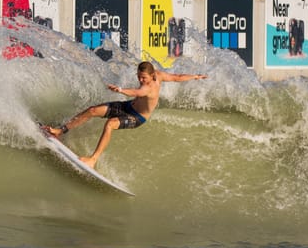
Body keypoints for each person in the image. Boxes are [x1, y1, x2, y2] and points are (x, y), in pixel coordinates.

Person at [42, 61, 207, 168]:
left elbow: (136, 91)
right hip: (128, 106)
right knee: (93, 110)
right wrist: (195, 76)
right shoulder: (157, 75)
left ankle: (93, 159)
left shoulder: (149, 87)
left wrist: (120, 90)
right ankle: (60, 131)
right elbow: (177, 77)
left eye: (143, 77)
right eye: (139, 77)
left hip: (138, 117)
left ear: (152, 76)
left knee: (110, 124)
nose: (141, 80)